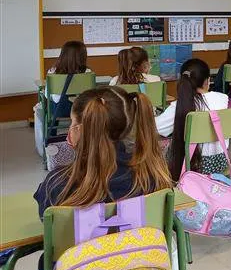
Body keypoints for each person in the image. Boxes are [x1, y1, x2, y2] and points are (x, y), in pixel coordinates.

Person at [34, 86, 172, 217]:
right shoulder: (154, 179)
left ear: (80, 129)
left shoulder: (57, 186)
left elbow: (47, 220)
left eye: (72, 122)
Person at [156, 59, 230, 181]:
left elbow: (157, 128)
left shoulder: (179, 106)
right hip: (221, 161)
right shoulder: (223, 98)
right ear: (208, 80)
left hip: (192, 164)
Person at [34, 40, 92, 156]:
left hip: (59, 110)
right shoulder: (88, 73)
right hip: (81, 111)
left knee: (48, 107)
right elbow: (89, 95)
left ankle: (52, 145)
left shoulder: (53, 72)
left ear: (63, 54)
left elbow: (47, 95)